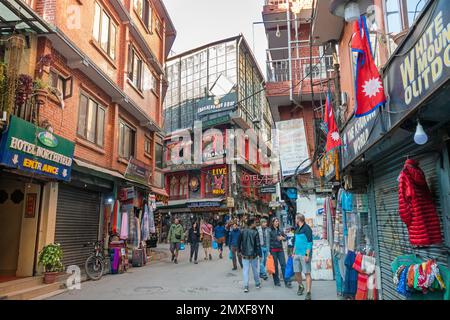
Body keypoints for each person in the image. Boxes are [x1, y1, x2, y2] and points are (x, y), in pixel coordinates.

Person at [293, 214, 313, 300]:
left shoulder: (307, 229)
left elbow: (310, 242)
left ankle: (308, 292)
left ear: (299, 219)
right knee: (297, 272)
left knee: (307, 273)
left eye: (295, 218)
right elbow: (296, 242)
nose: (295, 220)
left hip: (304, 254)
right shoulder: (297, 229)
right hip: (296, 254)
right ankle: (301, 286)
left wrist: (307, 254)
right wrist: (293, 252)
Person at [238, 217, 261, 293]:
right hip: (253, 255)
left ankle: (246, 286)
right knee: (255, 270)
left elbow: (239, 242)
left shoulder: (242, 231)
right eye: (255, 223)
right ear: (252, 224)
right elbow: (258, 245)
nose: (256, 224)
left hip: (244, 254)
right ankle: (257, 284)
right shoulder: (255, 232)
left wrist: (239, 251)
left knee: (245, 270)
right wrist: (260, 254)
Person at [268, 217, 292, 288]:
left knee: (283, 265)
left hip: (280, 250)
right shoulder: (270, 231)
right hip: (273, 250)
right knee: (275, 266)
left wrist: (283, 238)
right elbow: (268, 241)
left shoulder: (280, 230)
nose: (277, 223)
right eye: (275, 221)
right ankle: (276, 281)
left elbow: (285, 238)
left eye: (277, 221)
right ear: (272, 223)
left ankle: (287, 281)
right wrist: (269, 252)